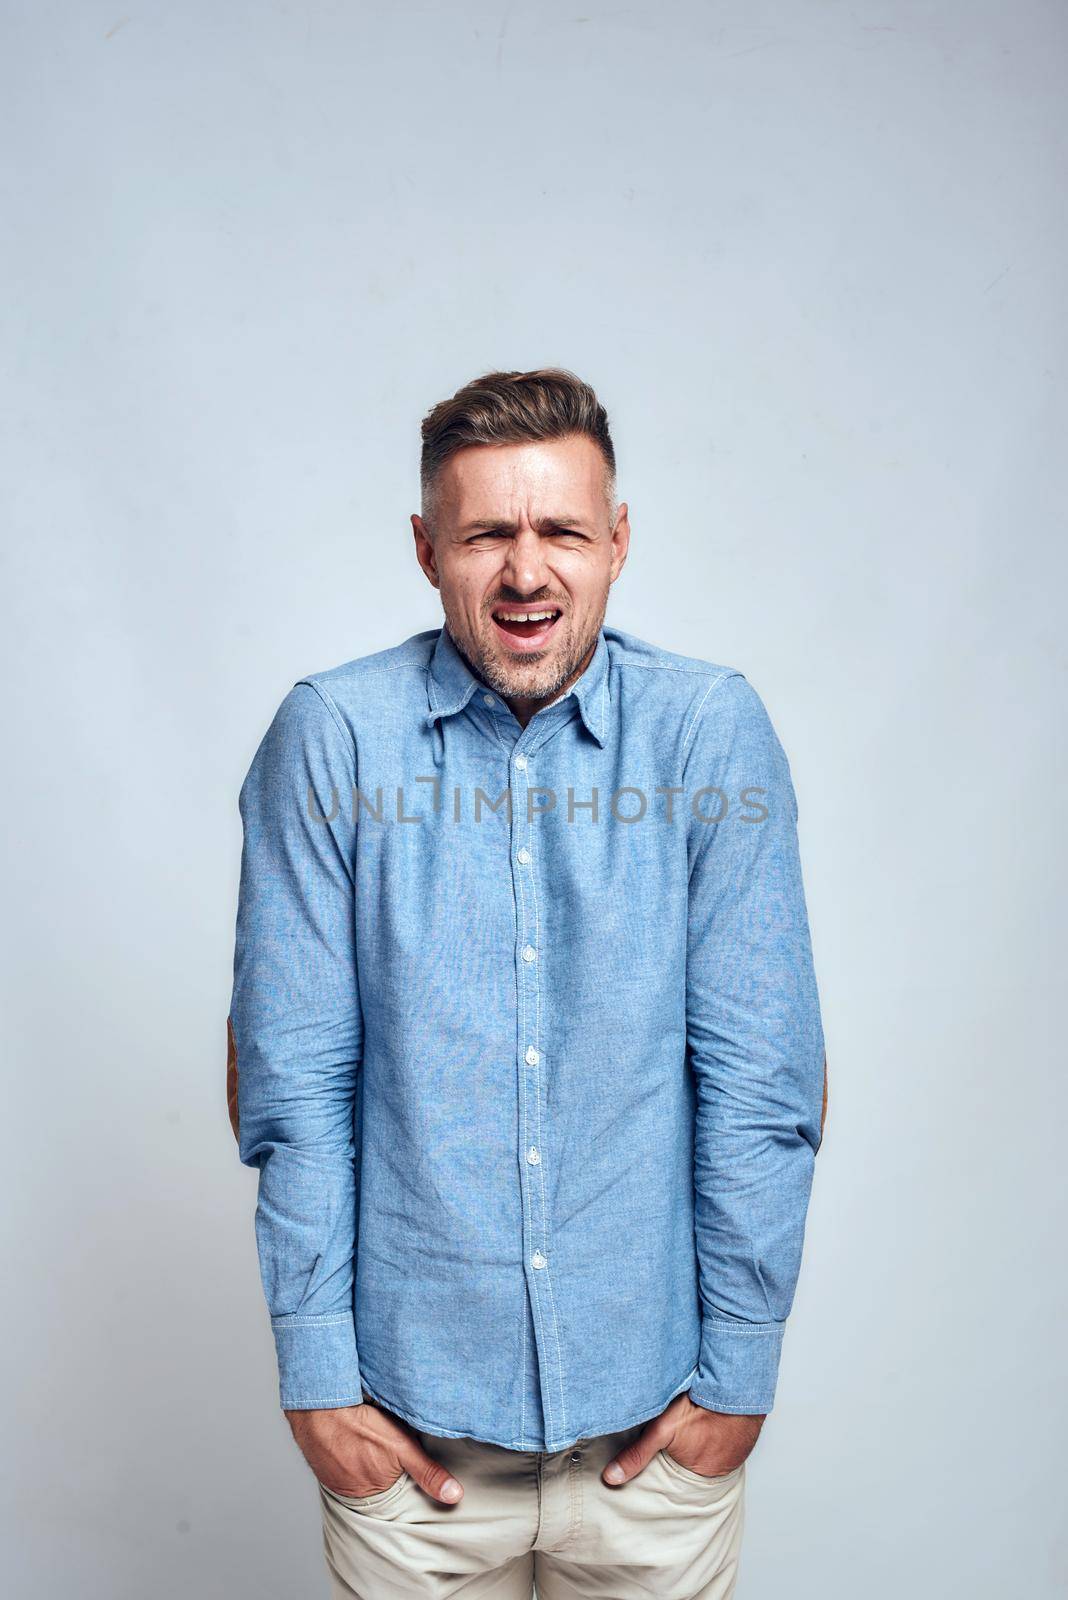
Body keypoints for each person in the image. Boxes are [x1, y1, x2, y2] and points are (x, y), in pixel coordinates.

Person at [227, 367, 828, 1599]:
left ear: (617, 542)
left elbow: (766, 1081)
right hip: (409, 1454)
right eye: (487, 532)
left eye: (560, 529)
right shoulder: (332, 738)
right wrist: (316, 1377)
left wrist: (740, 1380)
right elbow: (290, 1084)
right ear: (424, 548)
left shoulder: (708, 734)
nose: (525, 571)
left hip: (652, 1448)